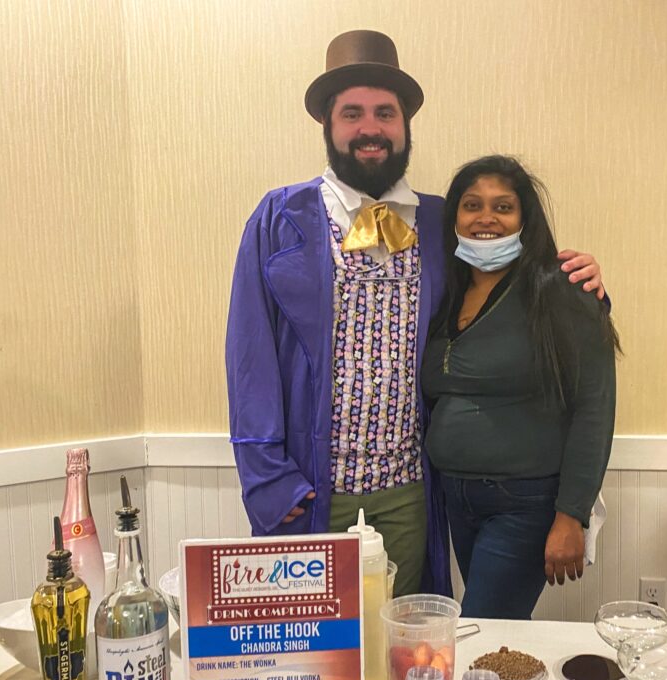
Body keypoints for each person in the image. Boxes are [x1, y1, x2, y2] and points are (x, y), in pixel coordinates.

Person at [225, 31, 604, 598]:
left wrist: (584, 276)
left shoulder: (437, 221)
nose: (370, 127)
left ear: (405, 126)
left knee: (404, 651)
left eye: (386, 112)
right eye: (352, 113)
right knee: (313, 662)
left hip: (410, 491)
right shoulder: (280, 218)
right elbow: (248, 359)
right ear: (327, 125)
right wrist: (270, 482)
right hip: (307, 489)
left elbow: (510, 277)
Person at [421, 155, 619, 619]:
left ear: (524, 220)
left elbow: (595, 407)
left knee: (482, 628)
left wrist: (572, 514)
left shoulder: (563, 289)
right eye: (472, 205)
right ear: (455, 219)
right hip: (456, 497)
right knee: (498, 632)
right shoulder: (444, 293)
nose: (485, 218)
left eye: (503, 207)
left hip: (525, 503)